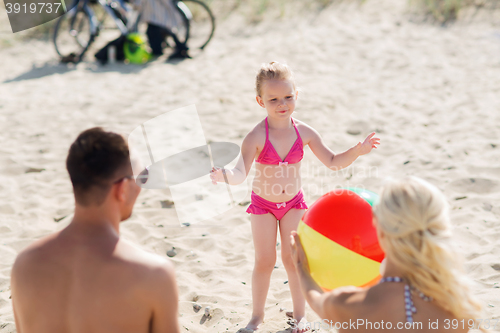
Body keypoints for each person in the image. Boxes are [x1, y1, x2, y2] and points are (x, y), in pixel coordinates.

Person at [209, 61, 380, 331]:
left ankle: (300, 316)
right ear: (260, 101)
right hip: (262, 205)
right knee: (264, 261)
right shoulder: (255, 136)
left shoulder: (305, 132)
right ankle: (257, 317)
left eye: (288, 97)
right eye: (273, 99)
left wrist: (357, 151)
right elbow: (240, 172)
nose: (282, 104)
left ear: (296, 95)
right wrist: (225, 175)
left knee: (294, 260)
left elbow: (333, 161)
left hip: (293, 204)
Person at [10, 128, 180, 333]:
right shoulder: (152, 275)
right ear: (122, 189)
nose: (142, 186)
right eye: (141, 177)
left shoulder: (25, 265)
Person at [290, 177, 486, 332]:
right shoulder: (458, 308)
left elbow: (315, 299)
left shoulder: (350, 305)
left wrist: (301, 267)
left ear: (379, 228)